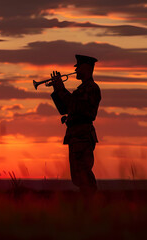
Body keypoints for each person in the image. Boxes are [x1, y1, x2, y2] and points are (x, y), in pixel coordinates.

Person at [50, 54, 101, 196]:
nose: (76, 69)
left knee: (83, 174)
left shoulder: (91, 88)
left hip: (82, 136)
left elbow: (75, 106)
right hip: (76, 136)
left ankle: (90, 203)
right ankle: (87, 203)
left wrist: (61, 89)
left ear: (86, 67)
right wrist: (57, 90)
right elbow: (65, 109)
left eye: (78, 66)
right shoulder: (81, 89)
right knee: (78, 176)